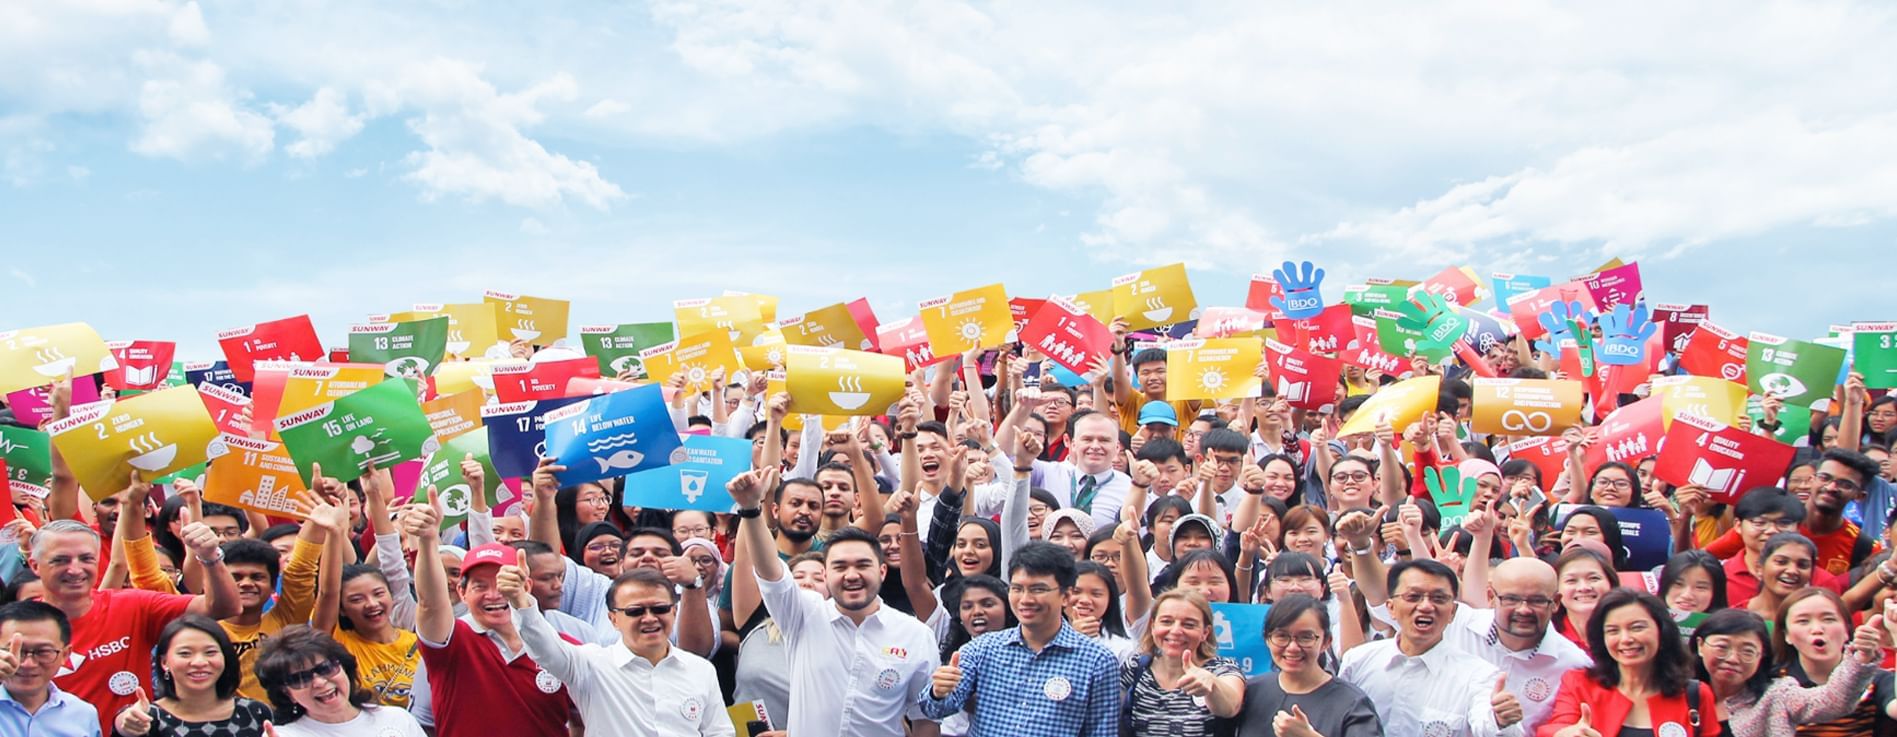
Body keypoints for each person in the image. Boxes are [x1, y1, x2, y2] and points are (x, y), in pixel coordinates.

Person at [728, 466, 941, 737]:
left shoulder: (915, 635)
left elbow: (924, 718)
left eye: (863, 565)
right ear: (826, 575)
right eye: (840, 567)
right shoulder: (803, 614)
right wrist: (750, 508)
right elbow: (770, 571)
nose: (852, 575)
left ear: (882, 571)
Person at [35, 475, 241, 737]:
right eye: (60, 560)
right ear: (34, 565)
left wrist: (210, 557)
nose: (75, 569)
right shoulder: (17, 626)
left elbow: (223, 607)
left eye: (86, 559)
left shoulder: (132, 605)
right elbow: (63, 478)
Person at [497, 550, 734, 736]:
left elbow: (719, 732)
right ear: (613, 619)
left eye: (660, 608)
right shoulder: (590, 664)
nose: (650, 618)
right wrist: (520, 601)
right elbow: (543, 648)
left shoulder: (700, 669)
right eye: (635, 611)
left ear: (674, 612)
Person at [407, 487, 574, 737]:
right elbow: (430, 603)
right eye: (480, 586)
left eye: (503, 582)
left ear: (526, 586)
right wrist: (428, 540)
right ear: (463, 594)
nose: (493, 595)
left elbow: (585, 717)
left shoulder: (563, 647)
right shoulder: (453, 642)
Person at [920, 542, 1120, 736]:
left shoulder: (1097, 661)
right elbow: (935, 710)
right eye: (1017, 589)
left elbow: (1102, 731)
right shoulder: (982, 649)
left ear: (1066, 596)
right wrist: (938, 691)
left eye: (1038, 589)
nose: (1025, 600)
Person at [1444, 516, 1596, 734]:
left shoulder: (1574, 664)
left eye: (1536, 601)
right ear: (1491, 596)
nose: (1523, 610)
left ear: (1555, 603)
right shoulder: (1457, 626)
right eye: (1511, 599)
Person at [1340, 558, 1522, 736]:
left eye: (1439, 598)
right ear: (1391, 608)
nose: (1426, 606)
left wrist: (1500, 720)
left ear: (1452, 612)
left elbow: (1486, 724)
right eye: (1413, 597)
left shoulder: (1478, 675)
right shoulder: (1357, 661)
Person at [1535, 589, 1720, 737]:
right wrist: (1567, 733)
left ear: (1662, 631)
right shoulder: (1579, 683)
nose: (1626, 639)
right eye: (1613, 631)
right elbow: (1556, 726)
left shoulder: (1696, 694)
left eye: (1637, 628)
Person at [1238, 594, 1381, 737]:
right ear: (1267, 639)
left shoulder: (1352, 703)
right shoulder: (1249, 692)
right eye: (1282, 636)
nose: (1292, 647)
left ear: (1326, 642)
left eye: (1305, 637)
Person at [109, 615, 274, 737]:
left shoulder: (254, 712)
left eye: (210, 652)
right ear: (164, 662)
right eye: (185, 653)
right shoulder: (147, 718)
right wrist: (127, 726)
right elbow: (124, 723)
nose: (199, 662)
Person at [254, 626, 424, 737]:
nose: (319, 682)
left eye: (325, 668)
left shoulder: (397, 718)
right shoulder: (283, 735)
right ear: (286, 693)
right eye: (300, 678)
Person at [1765, 587, 1892, 734]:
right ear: (1786, 635)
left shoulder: (1876, 679)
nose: (1817, 629)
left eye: (1828, 619)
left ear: (1846, 630)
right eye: (1803, 621)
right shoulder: (1771, 683)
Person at [1119, 588, 1245, 736]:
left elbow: (1230, 706)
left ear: (1205, 632)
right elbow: (1104, 708)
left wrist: (1213, 685)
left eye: (1189, 625)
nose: (1176, 631)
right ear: (1153, 626)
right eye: (1166, 622)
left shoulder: (1222, 668)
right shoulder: (1136, 666)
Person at [0, 600, 100, 736]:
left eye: (43, 652)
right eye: (17, 651)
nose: (28, 664)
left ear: (65, 655)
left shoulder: (83, 714)